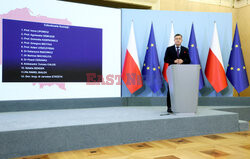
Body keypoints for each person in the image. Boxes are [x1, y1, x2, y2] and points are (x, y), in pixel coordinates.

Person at [164, 34, 191, 113]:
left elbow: (188, 60)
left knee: (182, 89)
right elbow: (166, 59)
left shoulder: (185, 49)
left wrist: (183, 61)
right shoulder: (169, 49)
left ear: (181, 40)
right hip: (172, 72)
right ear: (174, 40)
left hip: (182, 72)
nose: (178, 40)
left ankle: (181, 105)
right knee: (170, 90)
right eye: (176, 39)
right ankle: (169, 107)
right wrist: (174, 61)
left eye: (179, 39)